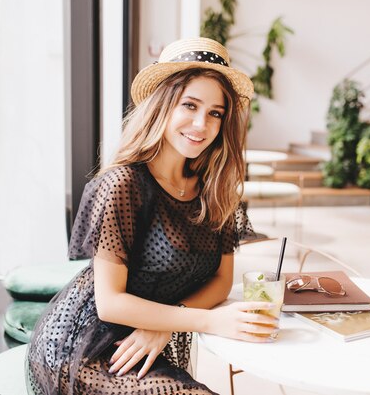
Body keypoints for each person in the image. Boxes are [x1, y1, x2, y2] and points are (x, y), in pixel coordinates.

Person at [26, 37, 278, 395]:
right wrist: (206, 320)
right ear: (162, 105)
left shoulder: (216, 190)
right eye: (189, 105)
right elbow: (110, 302)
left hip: (146, 338)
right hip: (86, 347)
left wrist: (168, 322)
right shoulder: (123, 184)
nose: (201, 124)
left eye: (215, 113)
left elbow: (222, 281)